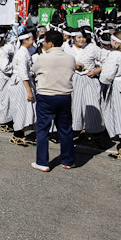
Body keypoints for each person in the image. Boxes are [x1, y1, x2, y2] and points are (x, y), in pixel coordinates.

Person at [31, 30, 76, 172]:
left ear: (50, 43)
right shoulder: (70, 58)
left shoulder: (42, 58)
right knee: (65, 129)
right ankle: (68, 160)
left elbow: (34, 70)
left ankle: (43, 162)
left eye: (45, 42)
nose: (44, 44)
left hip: (47, 95)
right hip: (64, 95)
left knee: (43, 129)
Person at [71, 26, 106, 146]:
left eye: (83, 37)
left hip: (89, 79)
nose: (81, 40)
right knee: (77, 106)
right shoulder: (68, 49)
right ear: (73, 38)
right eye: (78, 37)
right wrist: (73, 65)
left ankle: (96, 135)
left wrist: (96, 71)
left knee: (93, 105)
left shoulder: (92, 48)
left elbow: (106, 61)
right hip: (75, 79)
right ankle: (81, 132)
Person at [6, 31, 37, 147]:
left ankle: (20, 132)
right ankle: (17, 134)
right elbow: (23, 73)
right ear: (25, 40)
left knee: (24, 109)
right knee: (20, 109)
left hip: (23, 82)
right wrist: (28, 90)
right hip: (21, 84)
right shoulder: (22, 54)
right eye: (31, 39)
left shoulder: (25, 52)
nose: (33, 41)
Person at [100, 30, 121, 160]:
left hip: (120, 86)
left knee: (120, 115)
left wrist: (104, 82)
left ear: (115, 41)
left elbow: (107, 75)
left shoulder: (115, 55)